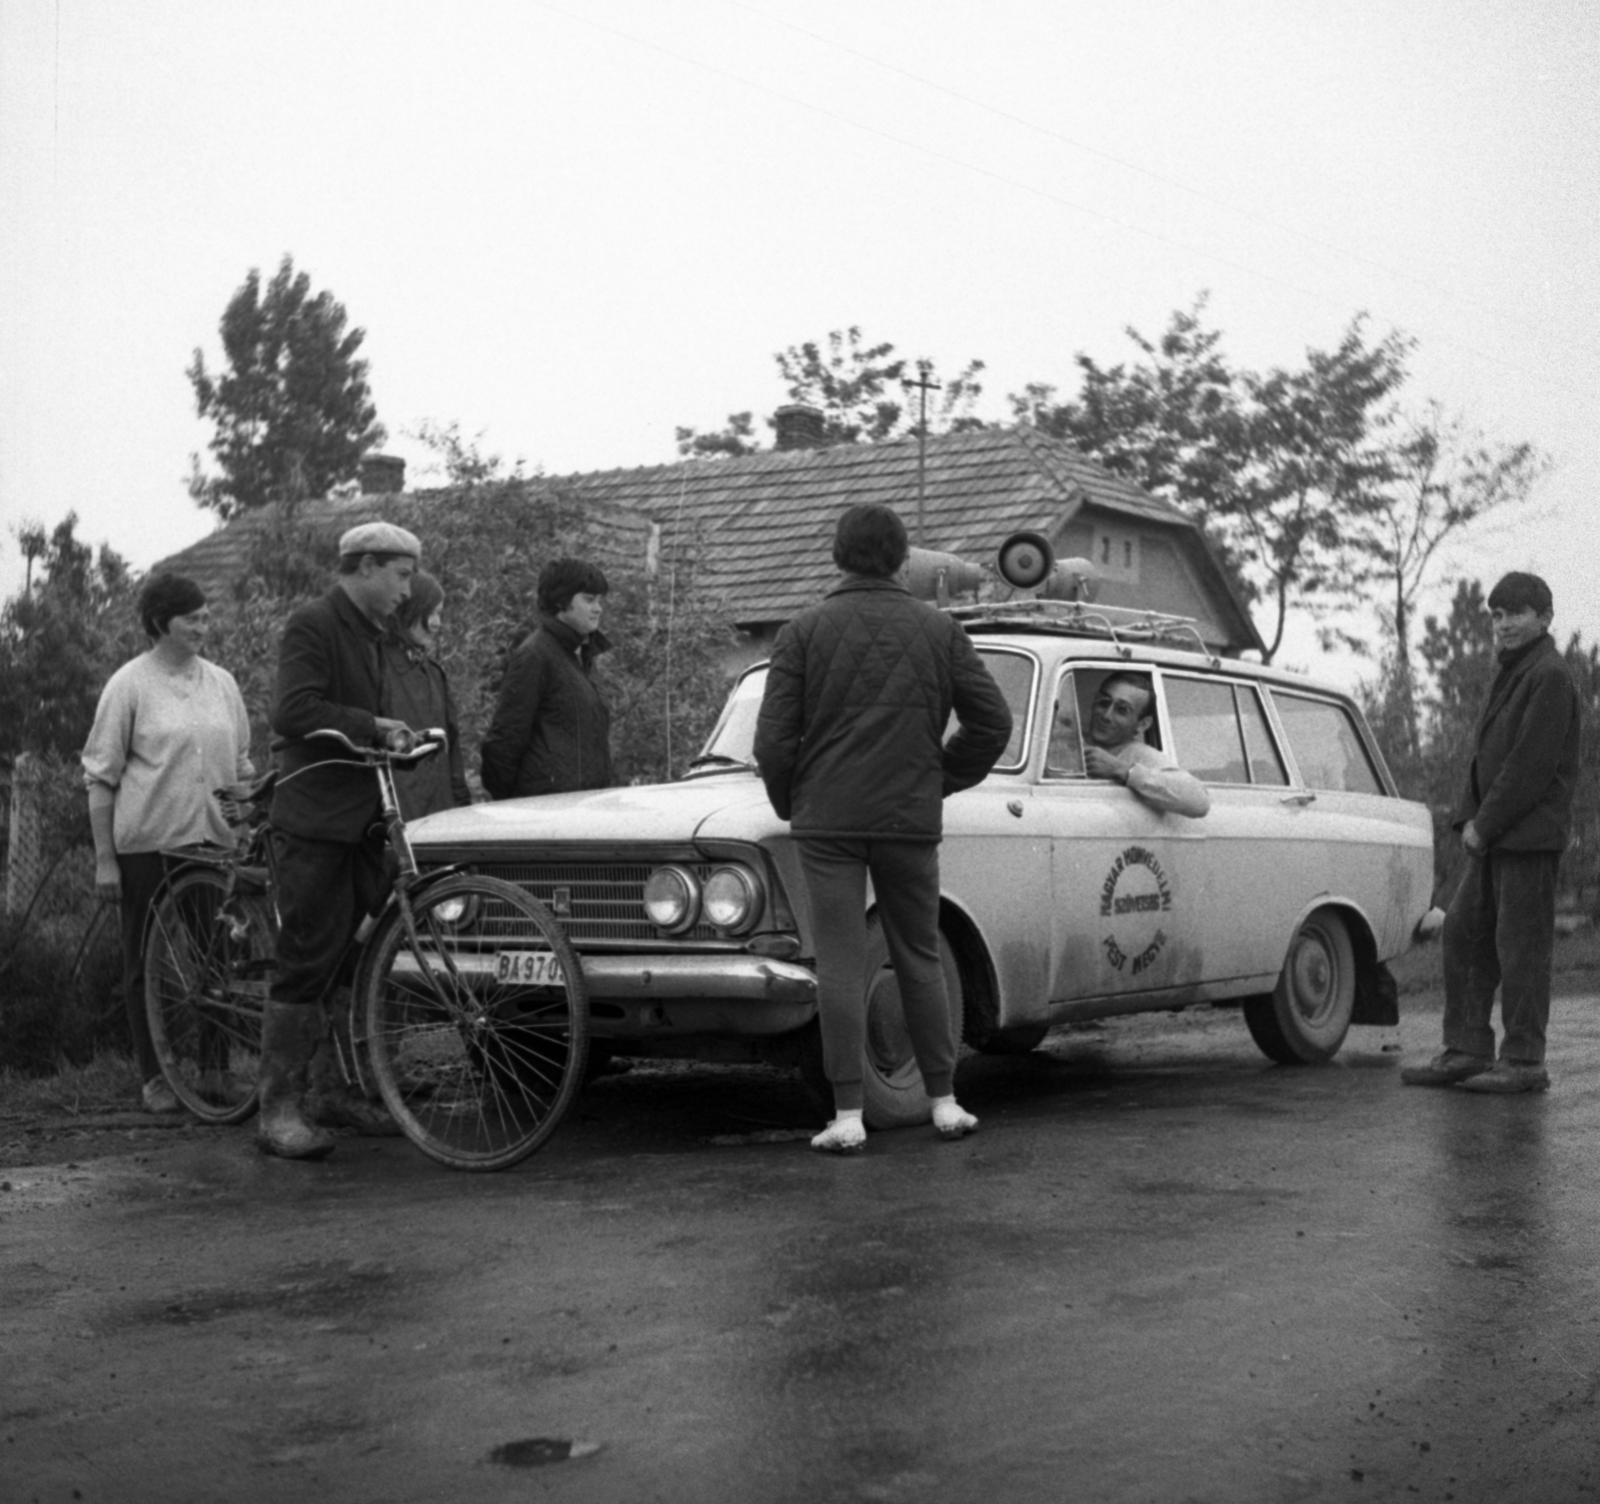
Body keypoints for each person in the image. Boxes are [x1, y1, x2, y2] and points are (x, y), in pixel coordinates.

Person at [753, 503, 1013, 1153]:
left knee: (840, 961)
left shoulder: (802, 632)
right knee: (918, 952)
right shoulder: (940, 631)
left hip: (829, 820)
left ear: (837, 556)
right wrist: (940, 779)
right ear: (903, 560)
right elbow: (993, 724)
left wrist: (794, 803)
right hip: (907, 816)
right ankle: (946, 1102)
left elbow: (772, 742)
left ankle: (846, 1116)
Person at [259, 521, 422, 1159]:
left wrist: (391, 733)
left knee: (354, 956)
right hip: (316, 818)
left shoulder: (372, 635)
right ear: (364, 567)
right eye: (400, 575)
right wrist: (372, 724)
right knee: (305, 958)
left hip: (359, 818)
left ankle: (334, 1094)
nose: (407, 591)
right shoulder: (314, 623)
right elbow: (293, 711)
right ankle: (277, 1112)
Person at [1402, 571, 1582, 1094]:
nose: (1502, 625)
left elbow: (1529, 766)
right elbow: (1487, 757)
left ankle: (1525, 1060)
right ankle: (1467, 1049)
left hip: (1526, 838)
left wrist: (1484, 824)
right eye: (1497, 616)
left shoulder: (1549, 675)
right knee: (1462, 931)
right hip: (1494, 836)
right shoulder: (1514, 671)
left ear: (1544, 617)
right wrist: (1469, 819)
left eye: (1515, 613)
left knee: (1521, 947)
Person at [82, 574, 255, 1114]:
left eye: (207, 617)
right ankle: (155, 1076)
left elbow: (242, 763)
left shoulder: (223, 683)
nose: (205, 627)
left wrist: (246, 824)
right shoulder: (128, 685)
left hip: (213, 843)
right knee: (145, 963)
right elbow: (101, 777)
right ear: (162, 624)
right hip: (149, 846)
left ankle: (215, 1070)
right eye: (193, 619)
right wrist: (106, 860)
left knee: (218, 958)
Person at [480, 558, 613, 799]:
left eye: (599, 600)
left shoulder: (583, 656)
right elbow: (504, 741)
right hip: (546, 814)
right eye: (589, 599)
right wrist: (517, 806)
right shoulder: (535, 656)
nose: (598, 608)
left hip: (586, 811)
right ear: (561, 600)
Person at [381, 572, 470, 820]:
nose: (436, 623)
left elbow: (452, 752)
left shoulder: (434, 674)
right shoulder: (377, 668)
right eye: (430, 612)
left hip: (441, 816)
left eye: (440, 614)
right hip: (398, 817)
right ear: (407, 610)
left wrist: (462, 809)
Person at [1081, 672, 1211, 818]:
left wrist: (1122, 770)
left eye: (1122, 710)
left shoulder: (1141, 755)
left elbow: (1199, 802)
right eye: (1104, 703)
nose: (1106, 716)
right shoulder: (1069, 741)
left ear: (1142, 725)